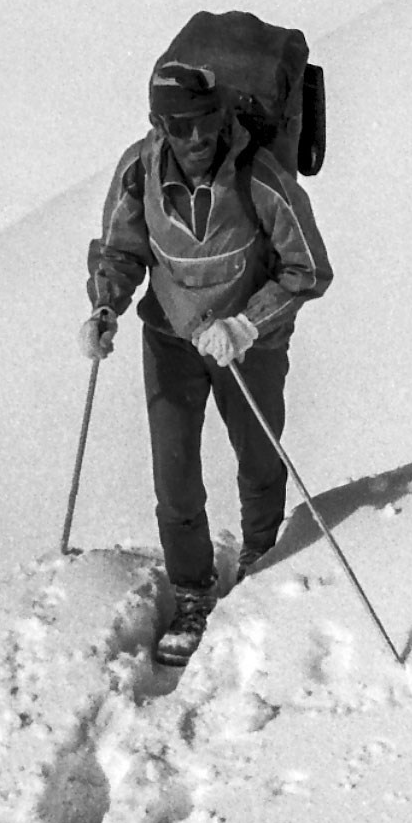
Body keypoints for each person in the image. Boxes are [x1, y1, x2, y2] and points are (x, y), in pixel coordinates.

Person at [80, 56, 333, 666]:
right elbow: (119, 249)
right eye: (178, 124)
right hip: (170, 335)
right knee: (174, 473)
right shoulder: (139, 170)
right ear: (157, 123)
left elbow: (309, 270)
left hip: (250, 341)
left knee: (258, 450)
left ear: (221, 115)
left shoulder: (260, 174)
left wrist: (247, 324)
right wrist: (105, 307)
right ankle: (192, 592)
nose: (194, 137)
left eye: (204, 121)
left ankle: (261, 559)